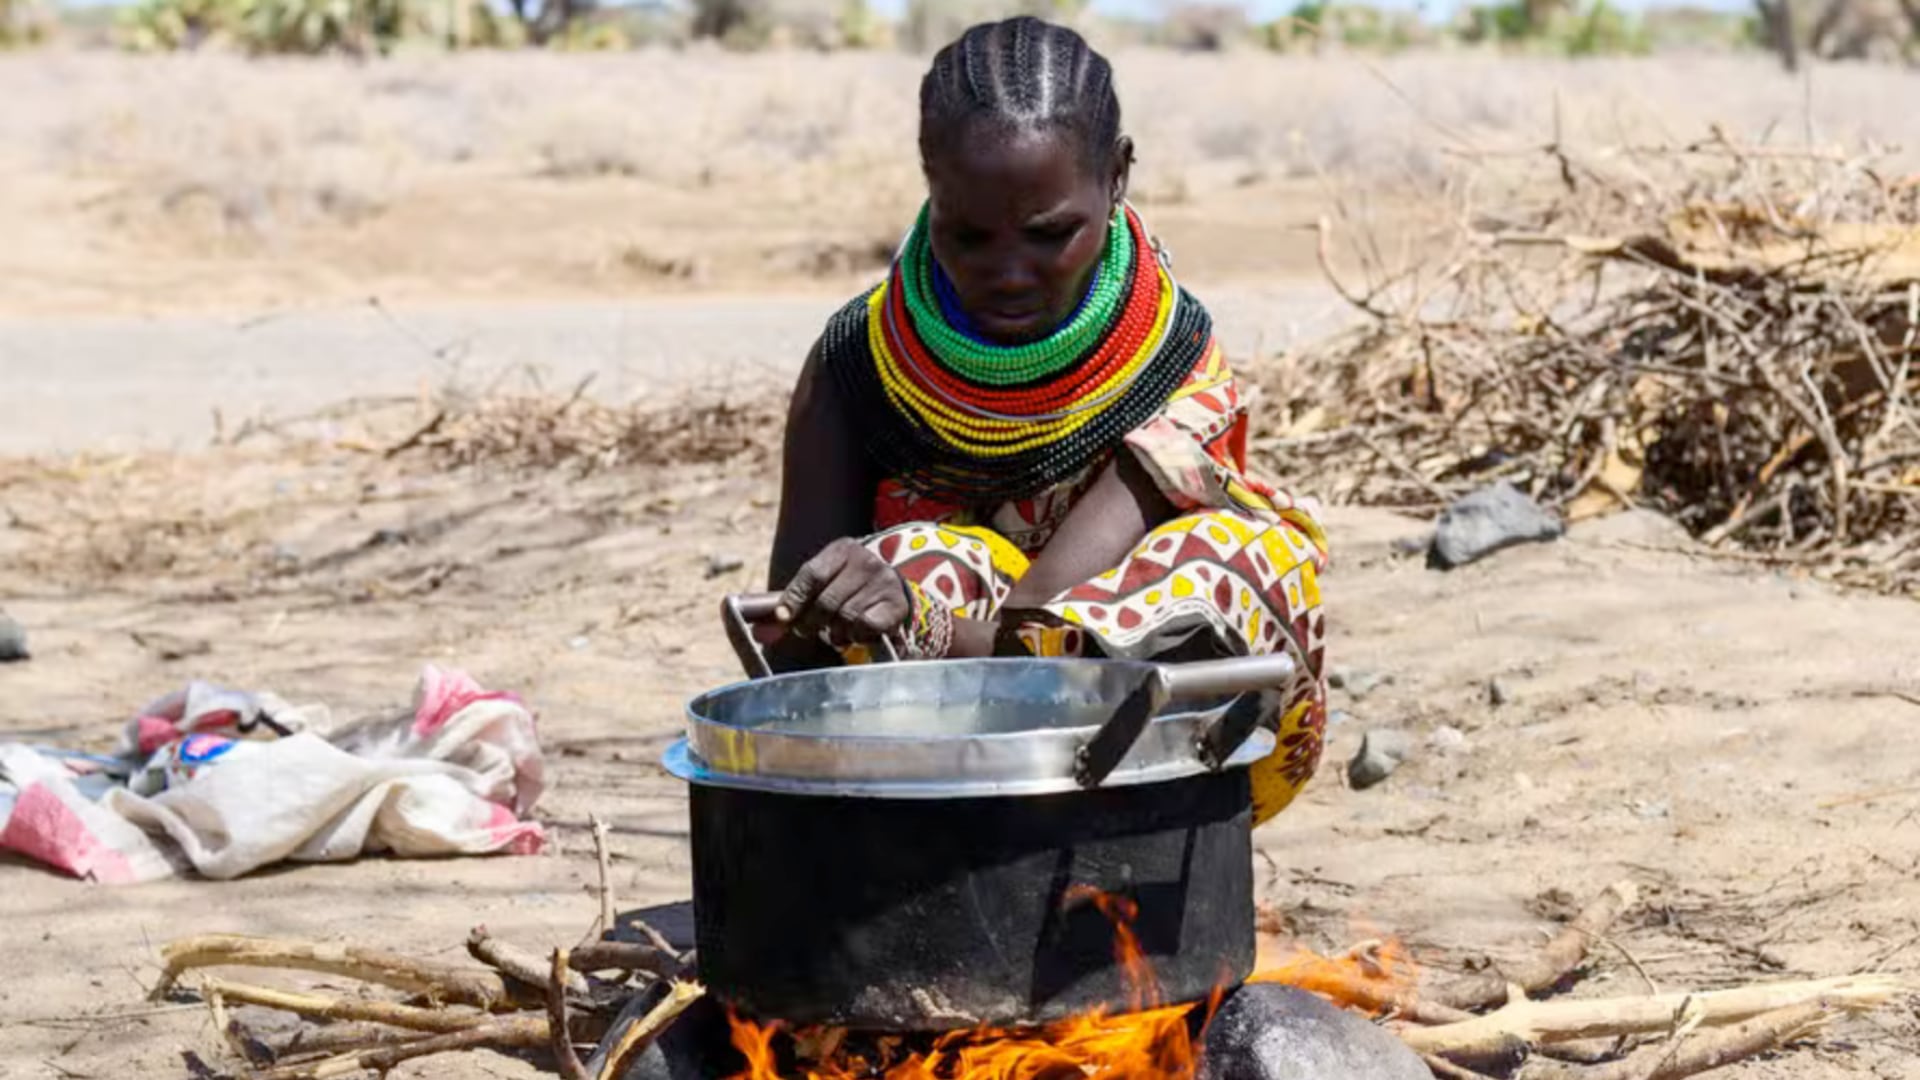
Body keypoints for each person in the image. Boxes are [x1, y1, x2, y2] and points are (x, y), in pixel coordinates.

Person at [764, 16, 1329, 825]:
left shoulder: (1167, 360)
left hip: (1135, 762)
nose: (1009, 273)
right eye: (967, 235)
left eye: (1049, 233)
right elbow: (785, 660)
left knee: (1231, 560)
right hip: (934, 787)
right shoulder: (859, 366)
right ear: (929, 186)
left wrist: (917, 623)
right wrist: (843, 603)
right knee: (910, 557)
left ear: (1119, 176)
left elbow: (1041, 633)